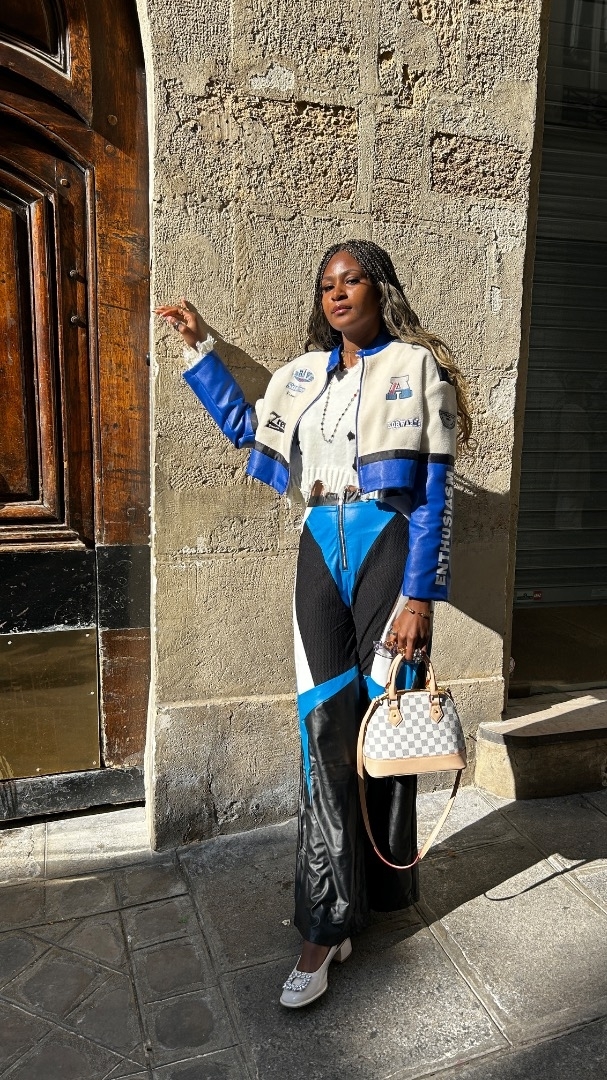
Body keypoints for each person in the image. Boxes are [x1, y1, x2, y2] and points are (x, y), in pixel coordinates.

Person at [156, 240, 472, 1009]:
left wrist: (419, 599)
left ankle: (368, 898)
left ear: (378, 288)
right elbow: (249, 429)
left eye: (350, 279)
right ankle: (327, 923)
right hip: (317, 548)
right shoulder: (301, 375)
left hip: (387, 546)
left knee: (378, 730)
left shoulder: (415, 368)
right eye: (326, 284)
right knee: (323, 727)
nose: (336, 293)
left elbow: (434, 493)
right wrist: (200, 348)